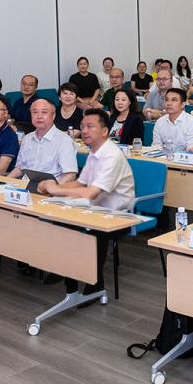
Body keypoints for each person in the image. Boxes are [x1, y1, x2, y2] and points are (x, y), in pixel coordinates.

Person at [37, 109, 135, 297]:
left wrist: (55, 189)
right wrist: (54, 187)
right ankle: (66, 269)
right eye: (82, 126)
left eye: (90, 126)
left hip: (117, 213)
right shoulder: (94, 151)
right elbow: (81, 183)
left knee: (92, 230)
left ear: (104, 131)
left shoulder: (112, 155)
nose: (84, 131)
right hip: (96, 206)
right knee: (59, 219)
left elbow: (90, 193)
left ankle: (96, 283)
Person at [10, 97, 79, 185]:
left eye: (44, 112)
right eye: (35, 112)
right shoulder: (27, 138)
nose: (39, 116)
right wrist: (4, 182)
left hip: (50, 189)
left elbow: (70, 175)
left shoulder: (64, 141)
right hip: (24, 186)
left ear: (53, 116)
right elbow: (20, 169)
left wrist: (53, 189)